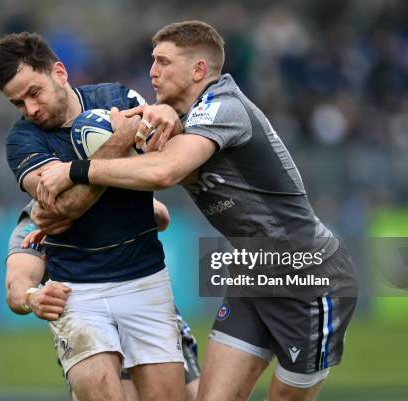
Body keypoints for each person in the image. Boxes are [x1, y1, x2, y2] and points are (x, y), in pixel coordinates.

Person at [36, 21, 358, 401]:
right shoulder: (179, 114)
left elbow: (164, 171)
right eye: (152, 62)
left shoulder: (224, 107)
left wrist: (74, 170)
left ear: (198, 70)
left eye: (163, 62)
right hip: (253, 269)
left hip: (307, 274)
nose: (152, 71)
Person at [0, 32, 186, 401]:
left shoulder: (117, 99)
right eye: (18, 103)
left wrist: (168, 113)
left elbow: (163, 167)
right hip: (77, 292)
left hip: (146, 279)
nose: (30, 110)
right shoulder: (22, 141)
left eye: (34, 93)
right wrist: (118, 143)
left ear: (59, 73)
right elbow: (65, 208)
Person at [6, 200, 201, 401]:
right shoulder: (34, 222)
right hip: (88, 321)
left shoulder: (110, 186)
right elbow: (16, 288)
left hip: (145, 309)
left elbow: (162, 216)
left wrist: (104, 209)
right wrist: (32, 297)